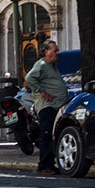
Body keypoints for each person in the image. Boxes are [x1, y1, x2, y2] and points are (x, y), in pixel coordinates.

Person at [24, 39, 67, 174]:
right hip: (47, 106)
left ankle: (50, 163)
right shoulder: (42, 64)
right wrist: (42, 91)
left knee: (52, 135)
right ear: (46, 52)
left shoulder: (52, 65)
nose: (57, 53)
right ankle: (44, 165)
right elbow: (29, 78)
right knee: (47, 135)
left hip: (55, 106)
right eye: (55, 50)